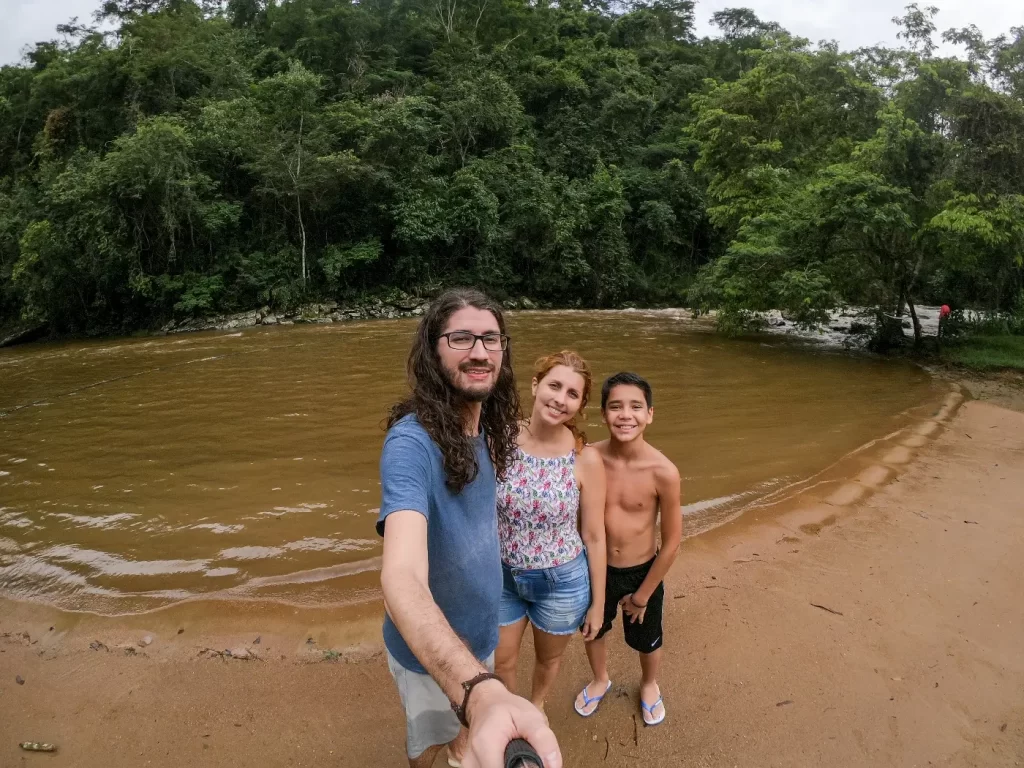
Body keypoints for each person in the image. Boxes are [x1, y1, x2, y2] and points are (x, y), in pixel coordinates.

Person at [377, 288, 561, 768]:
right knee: (429, 748)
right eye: (461, 338)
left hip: (482, 635)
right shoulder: (411, 445)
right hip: (430, 655)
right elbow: (401, 576)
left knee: (466, 739)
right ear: (433, 351)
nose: (479, 352)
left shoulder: (489, 429)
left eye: (491, 339)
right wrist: (478, 691)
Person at [494, 351, 607, 715]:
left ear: (580, 405)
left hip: (562, 582)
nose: (560, 399)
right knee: (501, 661)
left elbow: (594, 536)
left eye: (572, 394)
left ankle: (537, 705)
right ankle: (512, 714)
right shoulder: (500, 438)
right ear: (535, 385)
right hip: (501, 577)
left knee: (548, 660)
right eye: (554, 386)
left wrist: (599, 604)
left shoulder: (585, 459)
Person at [573, 372, 682, 727]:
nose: (625, 415)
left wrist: (643, 595)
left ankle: (649, 684)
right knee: (594, 629)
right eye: (615, 406)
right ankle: (600, 678)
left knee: (648, 640)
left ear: (650, 414)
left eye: (636, 406)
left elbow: (672, 542)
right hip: (595, 566)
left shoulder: (663, 471)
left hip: (641, 572)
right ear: (603, 414)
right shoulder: (588, 458)